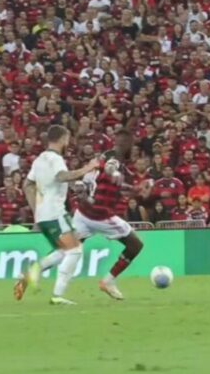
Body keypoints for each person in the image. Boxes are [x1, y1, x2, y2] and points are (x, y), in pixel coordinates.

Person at [16, 125, 99, 305]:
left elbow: (27, 185)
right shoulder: (55, 159)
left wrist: (35, 208)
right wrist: (87, 168)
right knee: (75, 250)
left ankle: (29, 275)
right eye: (67, 138)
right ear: (62, 139)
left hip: (44, 215)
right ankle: (57, 295)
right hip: (55, 213)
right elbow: (61, 176)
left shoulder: (39, 160)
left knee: (63, 251)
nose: (68, 142)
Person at [73, 129, 151, 300]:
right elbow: (110, 168)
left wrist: (135, 189)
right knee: (135, 245)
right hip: (100, 215)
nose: (134, 150)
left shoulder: (106, 156)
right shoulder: (115, 157)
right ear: (127, 144)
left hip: (84, 212)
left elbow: (104, 181)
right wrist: (114, 173)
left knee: (66, 248)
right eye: (132, 145)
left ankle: (31, 273)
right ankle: (108, 280)